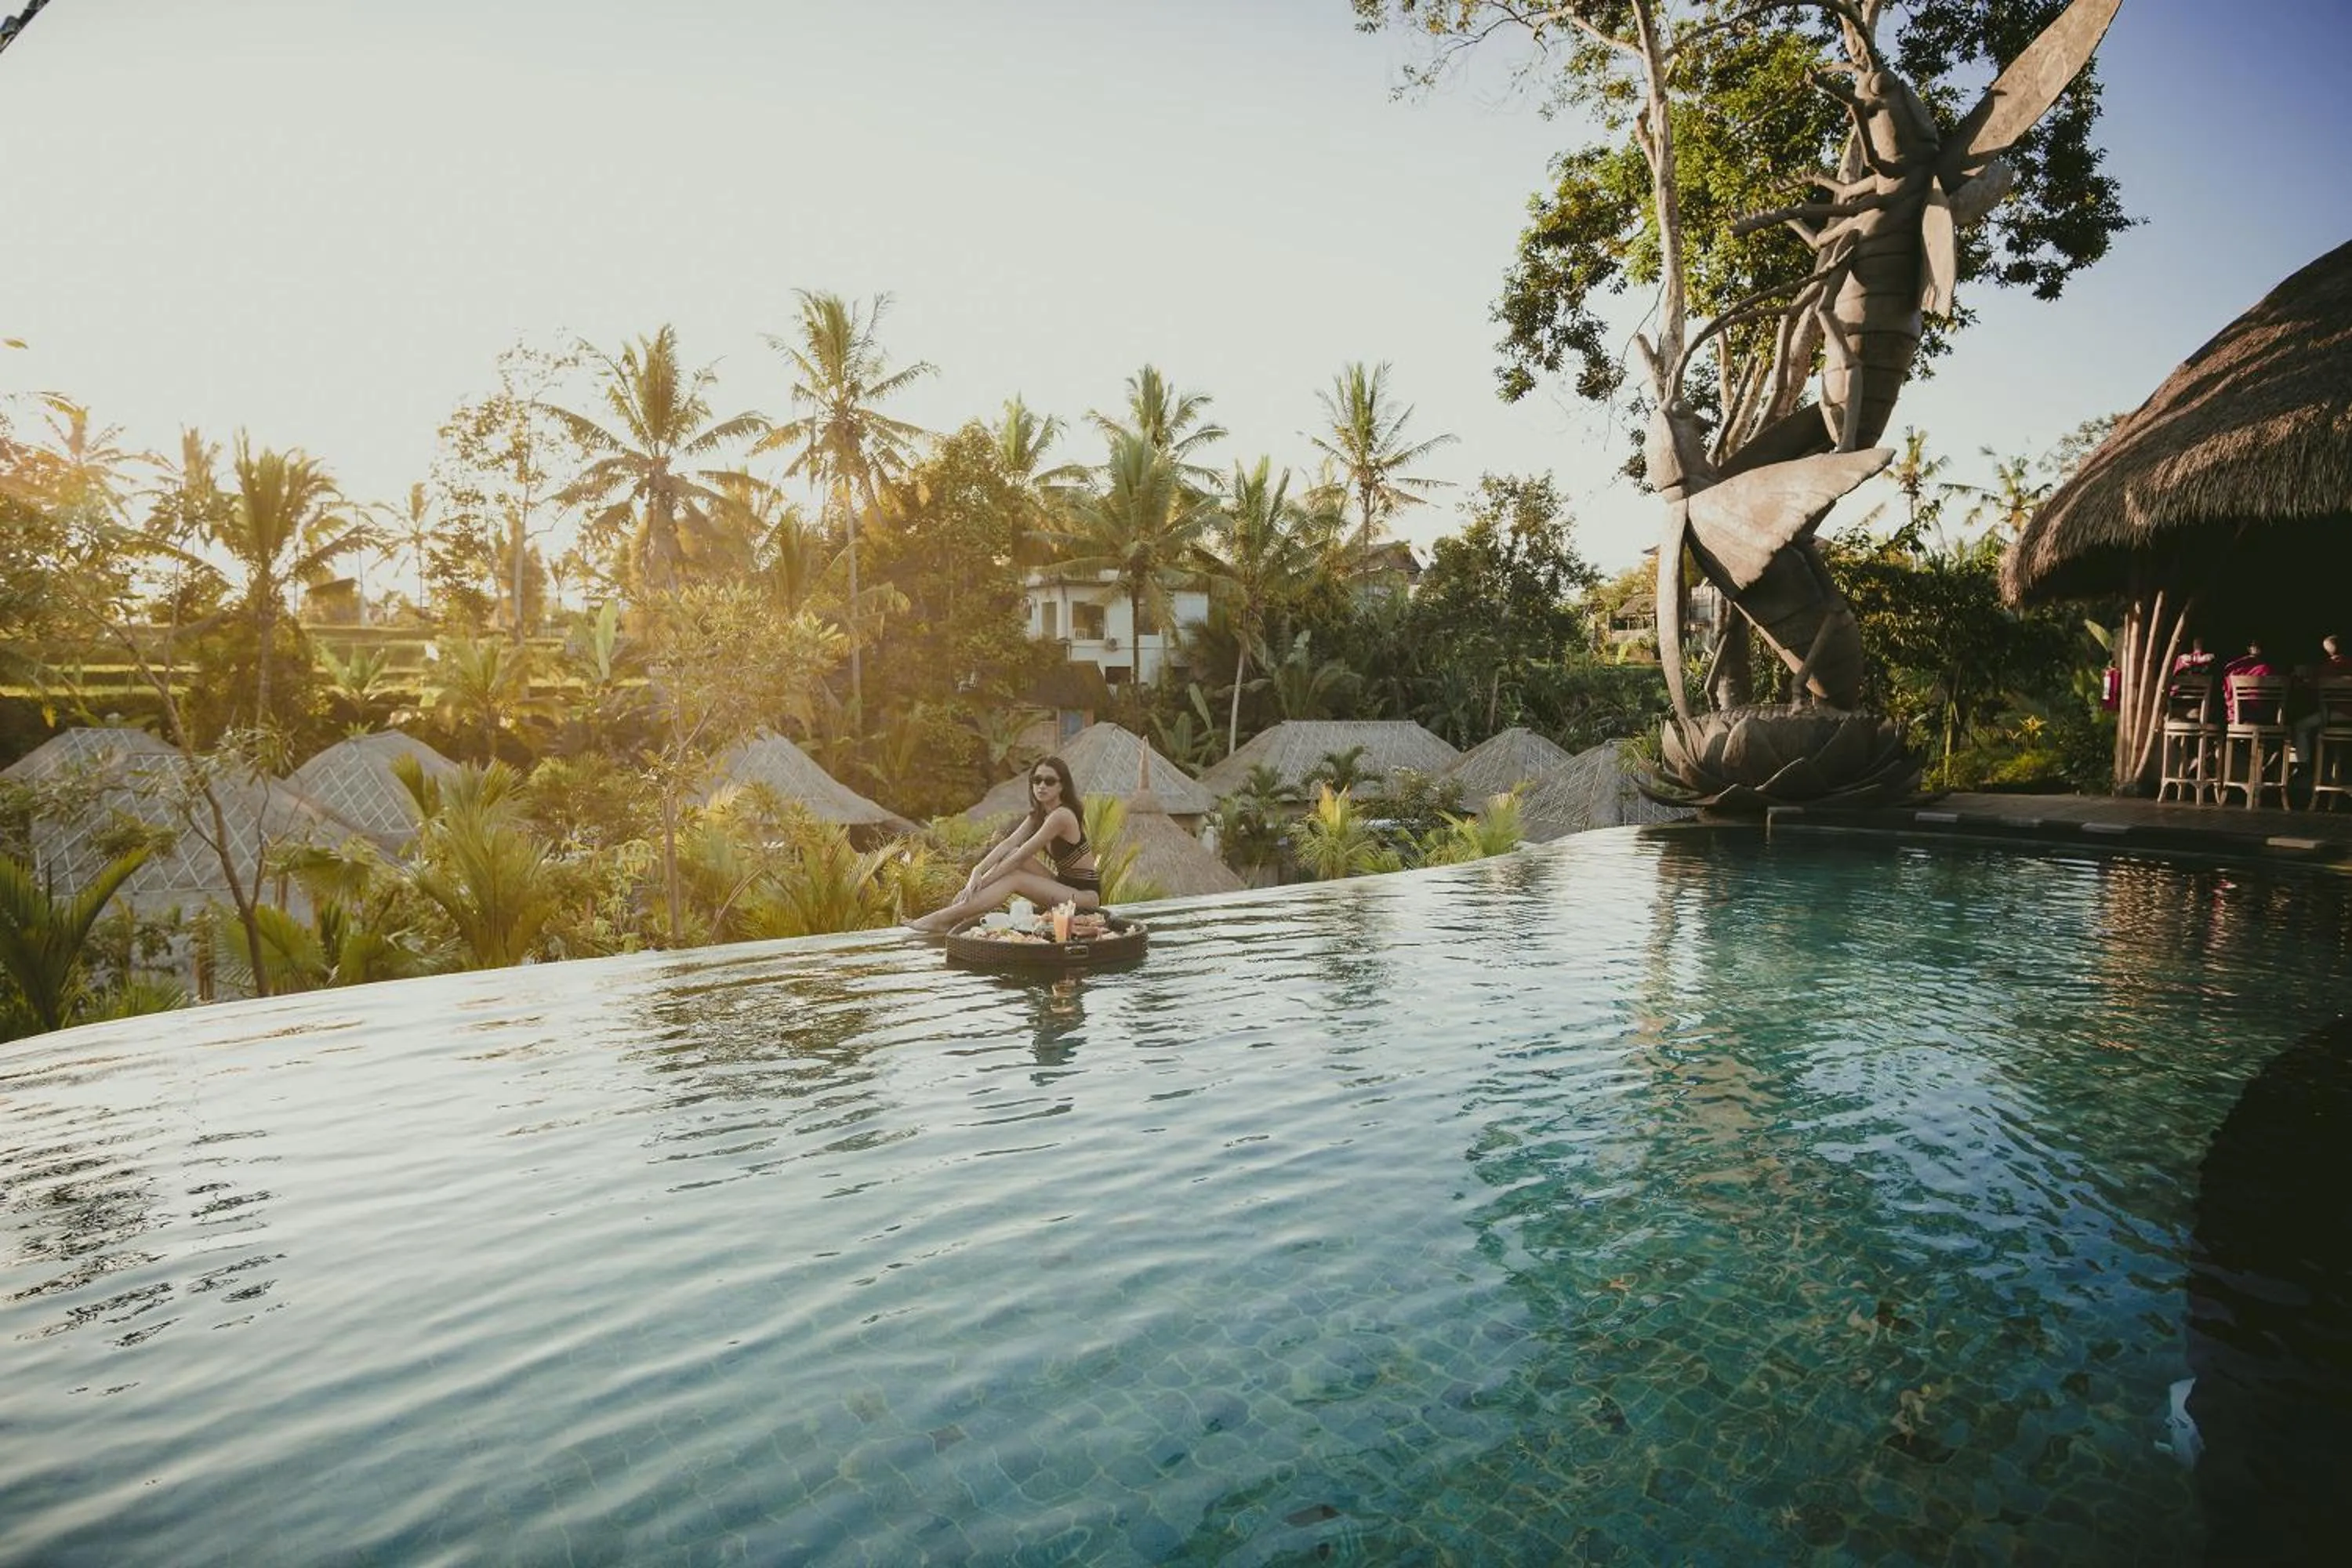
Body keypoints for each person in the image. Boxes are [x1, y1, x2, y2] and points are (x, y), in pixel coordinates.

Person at [906, 755, 1101, 933]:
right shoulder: (1039, 815)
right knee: (1011, 853)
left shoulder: (1061, 816)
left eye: (1049, 781)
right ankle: (953, 914)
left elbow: (1021, 857)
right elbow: (1008, 844)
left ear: (1062, 786)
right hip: (1063, 886)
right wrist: (977, 872)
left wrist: (978, 886)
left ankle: (944, 917)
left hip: (1085, 898)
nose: (1042, 786)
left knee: (1016, 877)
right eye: (1037, 780)